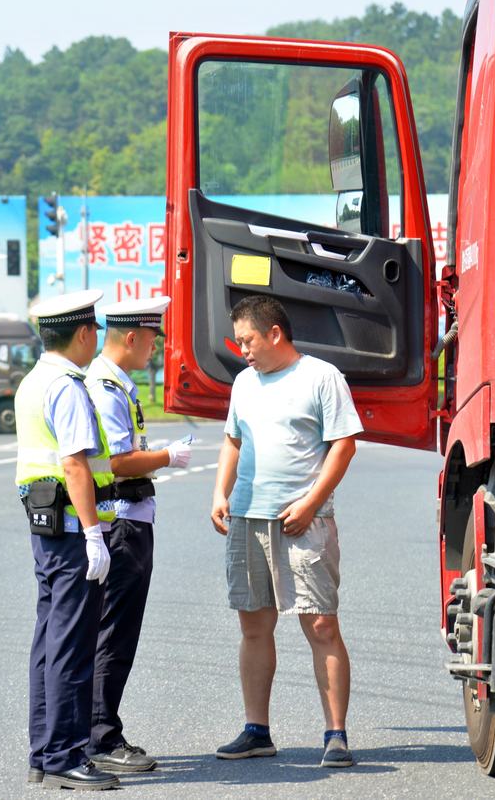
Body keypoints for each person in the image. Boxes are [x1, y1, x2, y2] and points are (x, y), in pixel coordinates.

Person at [210, 295, 363, 769]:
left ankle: (335, 735)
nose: (243, 351)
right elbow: (233, 440)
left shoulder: (321, 377)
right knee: (253, 625)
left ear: (274, 333)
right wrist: (220, 493)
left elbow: (343, 446)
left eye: (248, 340)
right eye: (239, 343)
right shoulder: (243, 383)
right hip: (247, 518)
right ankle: (257, 730)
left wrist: (311, 502)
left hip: (304, 519)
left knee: (320, 623)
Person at [84, 296, 193, 773]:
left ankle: (96, 731)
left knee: (113, 632)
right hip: (122, 522)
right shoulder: (107, 387)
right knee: (113, 634)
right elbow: (118, 462)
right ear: (131, 338)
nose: (154, 349)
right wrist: (169, 457)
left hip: (128, 518)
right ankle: (102, 737)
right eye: (151, 340)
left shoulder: (114, 383)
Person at [16, 289, 119, 791]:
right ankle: (63, 754)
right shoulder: (67, 387)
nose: (96, 339)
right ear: (83, 333)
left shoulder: (34, 381)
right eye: (95, 331)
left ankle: (44, 750)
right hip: (75, 529)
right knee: (72, 645)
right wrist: (96, 535)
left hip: (47, 529)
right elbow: (75, 464)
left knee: (49, 640)